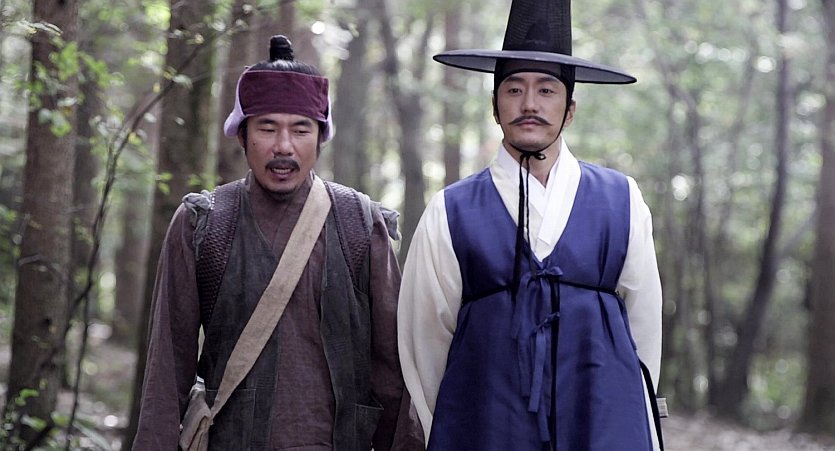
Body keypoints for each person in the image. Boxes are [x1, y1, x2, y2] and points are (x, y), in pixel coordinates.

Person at [133, 35, 423, 450]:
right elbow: (167, 368)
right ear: (242, 136)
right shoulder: (203, 224)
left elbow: (391, 367)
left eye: (301, 129)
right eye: (267, 128)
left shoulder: (360, 224)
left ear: (320, 138)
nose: (283, 146)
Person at [397, 0, 664, 450]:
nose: (529, 104)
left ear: (570, 109)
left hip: (599, 417)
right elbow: (425, 342)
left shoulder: (621, 199)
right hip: (485, 424)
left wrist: (627, 411)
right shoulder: (451, 210)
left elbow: (643, 330)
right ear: (495, 106)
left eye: (546, 90)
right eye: (514, 89)